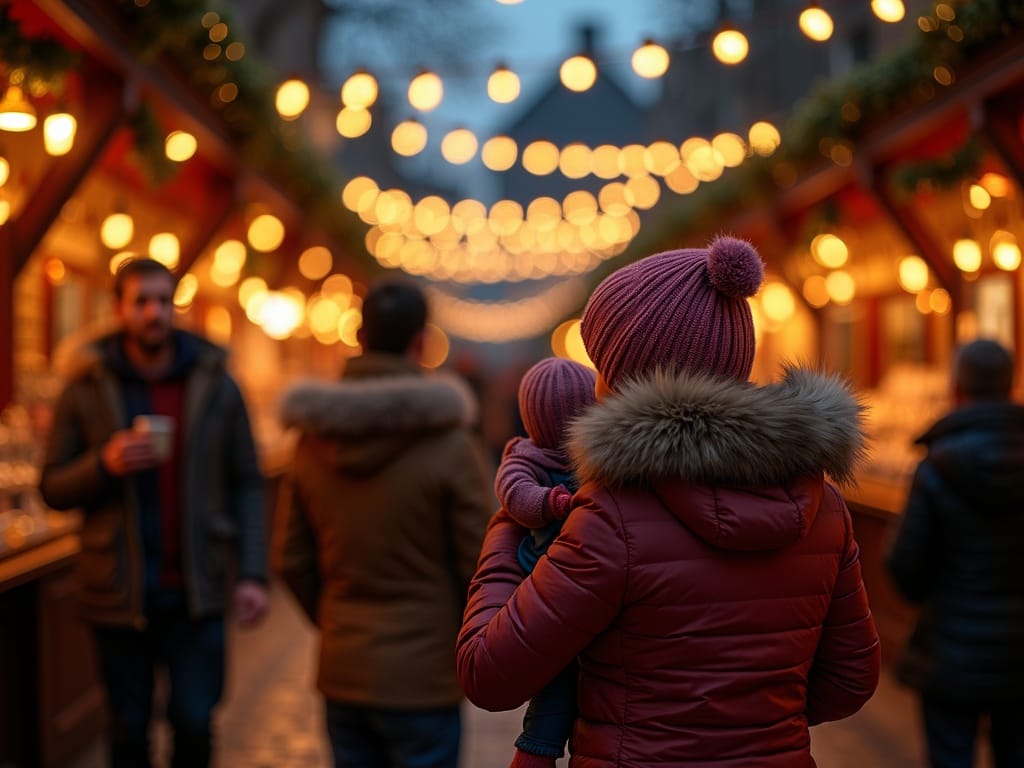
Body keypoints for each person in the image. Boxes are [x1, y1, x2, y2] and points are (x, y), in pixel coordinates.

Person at [458, 236, 881, 767]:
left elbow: (488, 673)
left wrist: (507, 523)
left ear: (623, 376)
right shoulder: (825, 507)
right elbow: (849, 680)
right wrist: (748, 723)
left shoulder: (612, 514)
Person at [39, 258, 268, 768]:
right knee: (127, 731)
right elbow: (51, 486)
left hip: (197, 587)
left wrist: (252, 573)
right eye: (141, 301)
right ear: (119, 308)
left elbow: (247, 482)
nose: (153, 313)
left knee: (194, 723)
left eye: (163, 301)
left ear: (174, 307)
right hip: (119, 591)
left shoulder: (216, 383)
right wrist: (104, 463)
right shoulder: (86, 386)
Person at [273, 278, 492, 768]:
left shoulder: (311, 442)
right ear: (421, 342)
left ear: (359, 337)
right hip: (424, 675)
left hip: (344, 666)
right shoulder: (451, 443)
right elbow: (481, 559)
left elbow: (290, 556)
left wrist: (336, 620)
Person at [887, 338, 1024, 768]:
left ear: (957, 387)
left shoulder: (936, 467)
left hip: (950, 652)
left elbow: (906, 568)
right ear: (1011, 385)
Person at [494, 357, 596, 768]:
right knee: (559, 669)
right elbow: (513, 493)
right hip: (544, 567)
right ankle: (539, 742)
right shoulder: (524, 457)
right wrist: (551, 503)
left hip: (584, 569)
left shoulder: (598, 455)